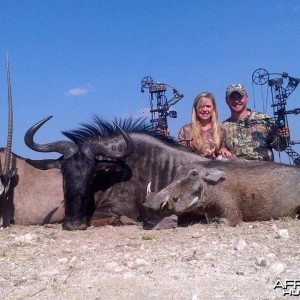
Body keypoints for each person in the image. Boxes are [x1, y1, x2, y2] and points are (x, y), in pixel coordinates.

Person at [223, 83, 290, 161]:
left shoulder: (264, 119)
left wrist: (284, 136)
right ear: (227, 101)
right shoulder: (223, 128)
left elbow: (280, 147)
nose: (237, 100)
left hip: (265, 171)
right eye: (232, 97)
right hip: (237, 171)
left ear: (246, 98)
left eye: (240, 97)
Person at [178, 91, 232, 159]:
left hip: (214, 168)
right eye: (201, 106)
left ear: (213, 109)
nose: (204, 109)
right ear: (195, 109)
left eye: (208, 106)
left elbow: (226, 151)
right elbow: (180, 155)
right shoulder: (185, 130)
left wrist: (224, 150)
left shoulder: (222, 131)